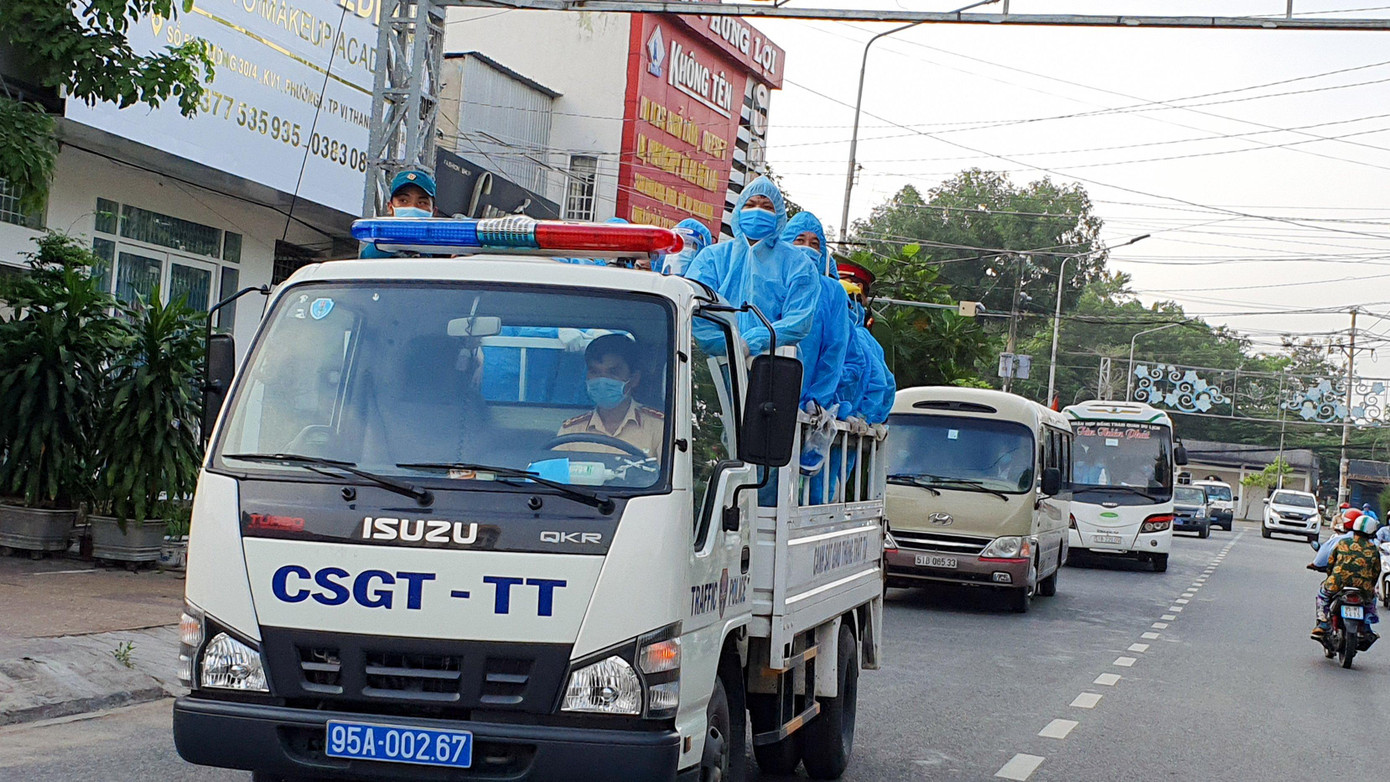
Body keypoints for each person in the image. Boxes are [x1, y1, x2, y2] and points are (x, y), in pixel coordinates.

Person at [683, 176, 818, 357]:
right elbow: (697, 311)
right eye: (751, 204)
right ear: (739, 210)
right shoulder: (712, 258)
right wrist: (727, 344)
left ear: (778, 215)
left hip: (773, 365)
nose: (758, 211)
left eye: (767, 207)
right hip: (714, 366)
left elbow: (799, 320)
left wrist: (756, 340)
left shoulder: (798, 264)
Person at [780, 211, 849, 411]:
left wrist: (817, 399)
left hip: (805, 405)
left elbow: (834, 350)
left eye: (814, 243)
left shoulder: (831, 291)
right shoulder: (768, 280)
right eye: (799, 240)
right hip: (757, 388)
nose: (806, 248)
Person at [555, 334, 664, 459]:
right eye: (595, 372)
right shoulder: (571, 431)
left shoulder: (658, 428)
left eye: (613, 372)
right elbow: (555, 476)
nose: (602, 380)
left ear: (634, 379)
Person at [1311, 513, 1382, 639]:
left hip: (1337, 583)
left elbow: (1331, 562)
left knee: (1323, 596)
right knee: (1371, 601)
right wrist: (1370, 586)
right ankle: (1366, 626)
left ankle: (1322, 623)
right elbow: (1376, 571)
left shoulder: (1342, 542)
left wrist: (1331, 576)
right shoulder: (1374, 549)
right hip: (1363, 588)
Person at [360, 168, 437, 258]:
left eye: (422, 203)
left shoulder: (445, 249)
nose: (412, 207)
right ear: (390, 208)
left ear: (434, 212)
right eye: (403, 201)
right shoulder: (376, 251)